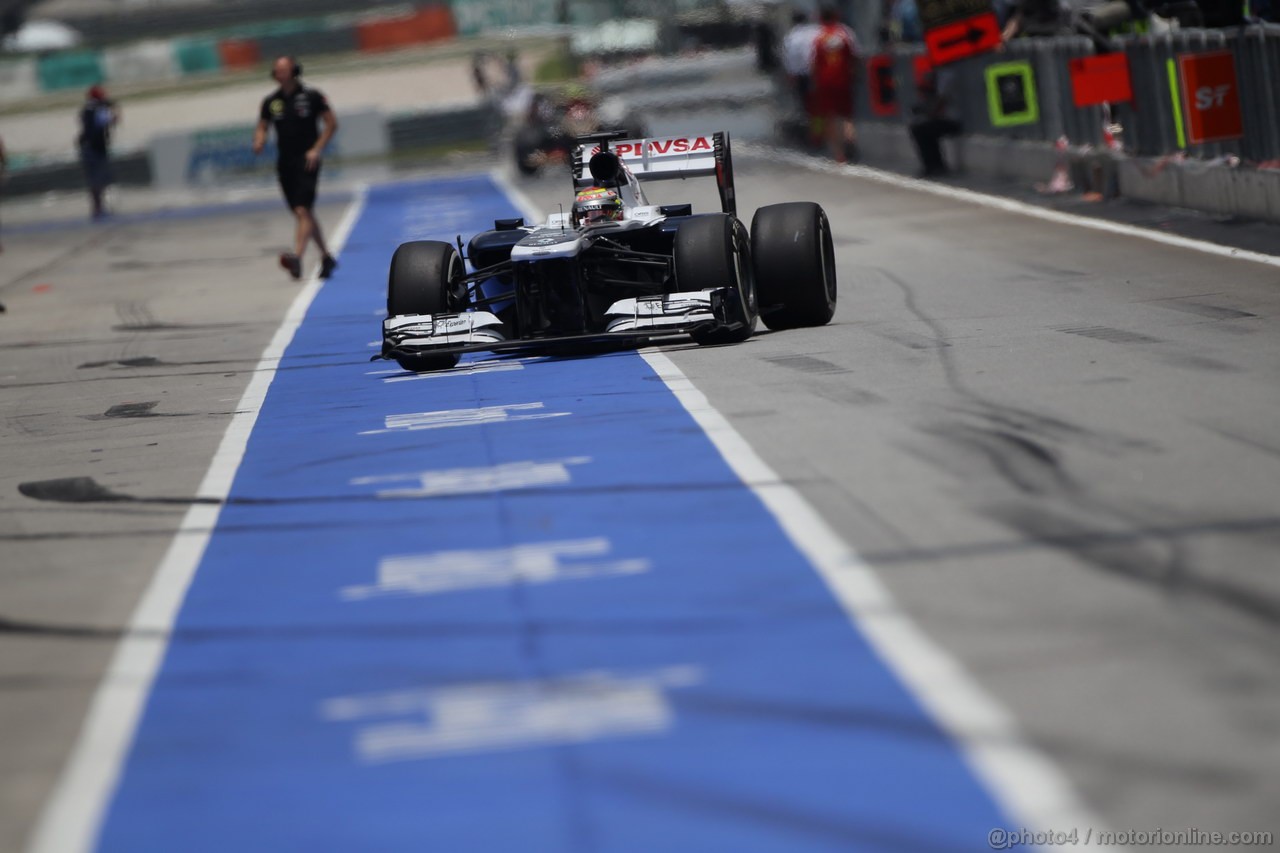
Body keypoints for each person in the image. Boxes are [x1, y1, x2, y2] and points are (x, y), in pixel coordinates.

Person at [253, 56, 339, 280]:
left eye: (283, 70)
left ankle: (297, 258)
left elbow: (331, 123)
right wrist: (259, 140)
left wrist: (317, 148)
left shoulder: (312, 96)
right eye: (276, 70)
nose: (279, 74)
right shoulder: (271, 102)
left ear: (294, 71)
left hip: (307, 160)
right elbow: (262, 125)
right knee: (303, 213)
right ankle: (326, 257)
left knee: (302, 210)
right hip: (285, 162)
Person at [809, 5, 860, 164]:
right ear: (836, 16)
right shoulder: (845, 33)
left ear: (820, 18)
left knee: (830, 118)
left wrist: (814, 80)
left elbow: (813, 62)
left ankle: (839, 154)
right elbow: (855, 55)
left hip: (825, 82)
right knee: (847, 115)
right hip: (844, 79)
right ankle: (850, 139)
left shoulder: (817, 36)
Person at [910, 68, 962, 178]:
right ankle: (934, 165)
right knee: (922, 129)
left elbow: (941, 101)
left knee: (922, 129)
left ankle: (933, 166)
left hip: (952, 119)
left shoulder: (947, 76)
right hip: (942, 118)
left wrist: (929, 113)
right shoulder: (936, 74)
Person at [78, 85, 118, 221]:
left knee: (95, 180)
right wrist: (114, 110)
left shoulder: (87, 109)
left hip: (89, 147)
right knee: (97, 180)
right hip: (95, 148)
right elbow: (110, 121)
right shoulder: (97, 110)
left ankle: (98, 208)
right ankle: (98, 209)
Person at [781, 10, 819, 135]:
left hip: (802, 74)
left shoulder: (792, 37)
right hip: (818, 71)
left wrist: (791, 75)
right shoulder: (815, 31)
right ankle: (821, 126)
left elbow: (790, 58)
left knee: (805, 102)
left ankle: (813, 128)